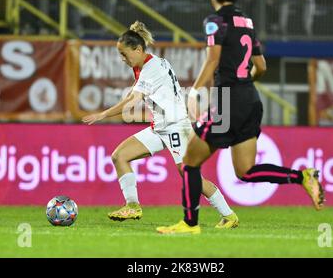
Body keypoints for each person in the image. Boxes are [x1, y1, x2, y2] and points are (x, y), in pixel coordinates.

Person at [157, 0, 325, 235]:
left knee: (189, 162)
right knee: (245, 171)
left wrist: (194, 92)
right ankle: (302, 176)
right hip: (251, 98)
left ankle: (189, 224)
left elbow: (212, 61)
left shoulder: (215, 21)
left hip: (227, 101)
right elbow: (261, 67)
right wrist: (244, 83)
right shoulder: (246, 21)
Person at [82, 21, 239, 228]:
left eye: (124, 54)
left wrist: (103, 114)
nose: (123, 59)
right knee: (120, 156)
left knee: (189, 175)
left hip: (176, 127)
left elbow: (132, 101)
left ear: (138, 49)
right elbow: (134, 94)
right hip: (160, 127)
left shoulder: (151, 68)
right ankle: (133, 206)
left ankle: (229, 216)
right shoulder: (149, 64)